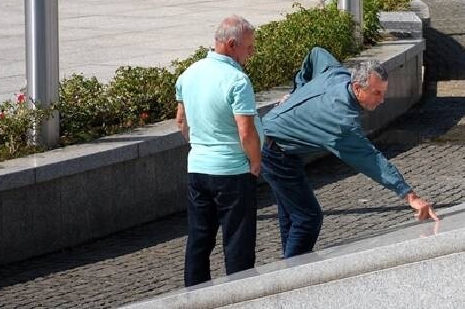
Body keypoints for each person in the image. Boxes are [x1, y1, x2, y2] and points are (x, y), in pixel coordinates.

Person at [261, 46, 439, 258]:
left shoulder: (337, 74)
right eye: (377, 93)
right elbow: (371, 160)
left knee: (293, 215)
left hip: (276, 142)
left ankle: (288, 267)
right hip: (274, 152)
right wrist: (409, 196)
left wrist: (296, 91)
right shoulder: (341, 122)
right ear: (357, 87)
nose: (382, 100)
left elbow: (316, 53)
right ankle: (293, 273)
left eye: (383, 92)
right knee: (308, 218)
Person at [175, 16, 263, 287]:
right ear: (232, 44)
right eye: (249, 47)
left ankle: (194, 297)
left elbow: (181, 120)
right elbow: (246, 131)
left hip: (198, 169)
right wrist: (256, 162)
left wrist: (201, 147)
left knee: (199, 239)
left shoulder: (188, 74)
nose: (252, 53)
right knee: (237, 241)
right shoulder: (237, 80)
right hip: (233, 172)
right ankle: (239, 297)